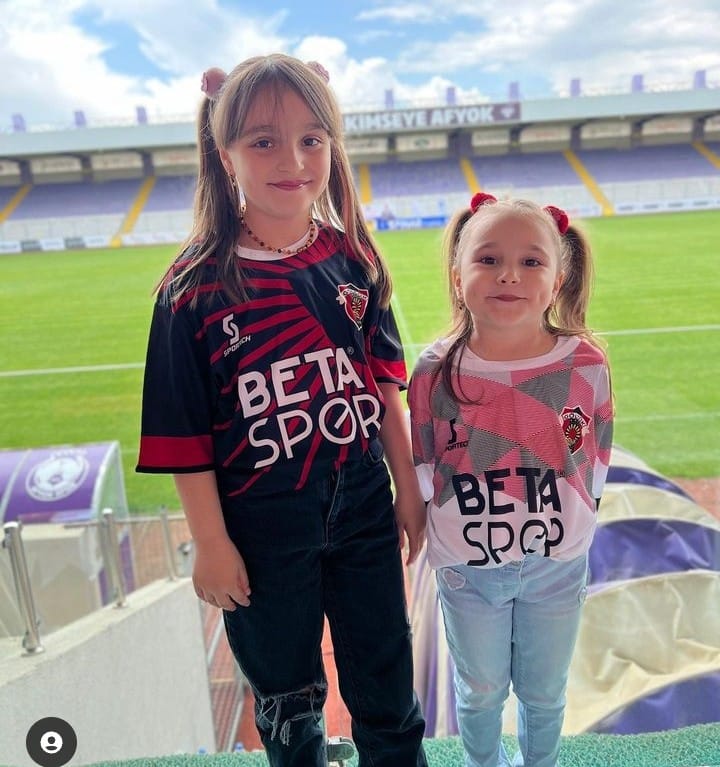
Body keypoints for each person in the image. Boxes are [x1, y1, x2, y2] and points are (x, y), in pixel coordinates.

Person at [136, 54, 428, 767]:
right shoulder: (192, 289)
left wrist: (409, 487)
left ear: (332, 145)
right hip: (259, 527)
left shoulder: (353, 260)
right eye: (263, 141)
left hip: (362, 507)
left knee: (386, 677)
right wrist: (210, 542)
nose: (292, 161)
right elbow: (184, 436)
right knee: (287, 697)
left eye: (310, 139)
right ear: (225, 152)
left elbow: (383, 386)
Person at [407, 193, 614, 767]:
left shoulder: (586, 364)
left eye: (530, 261)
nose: (509, 275)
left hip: (556, 566)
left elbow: (596, 454)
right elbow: (425, 462)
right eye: (488, 259)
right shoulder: (433, 372)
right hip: (469, 571)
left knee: (544, 694)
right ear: (458, 276)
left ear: (557, 280)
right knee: (480, 693)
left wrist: (577, 522)